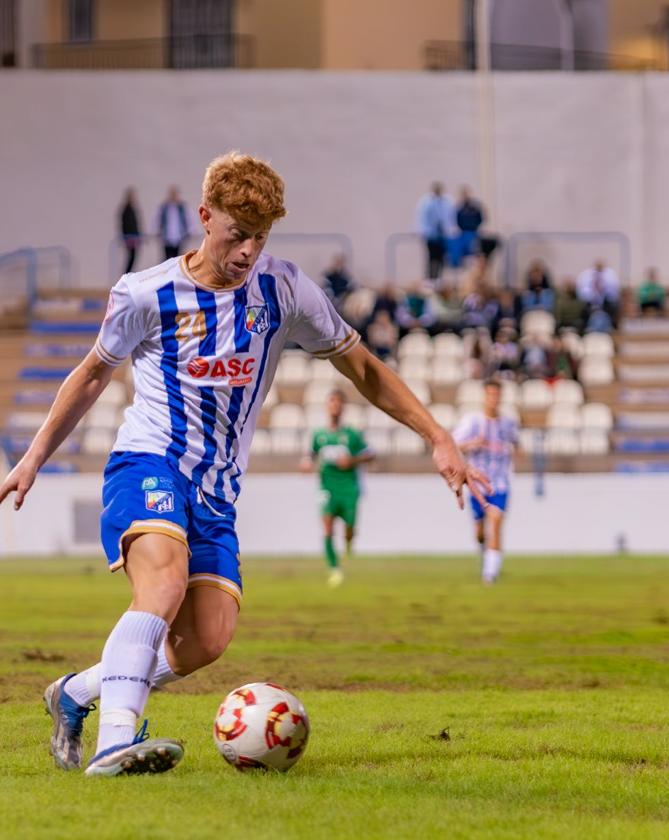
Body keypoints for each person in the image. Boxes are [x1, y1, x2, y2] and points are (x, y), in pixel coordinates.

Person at [16, 152, 487, 778]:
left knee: (206, 640)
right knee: (162, 584)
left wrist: (437, 435)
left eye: (260, 238)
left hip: (217, 490)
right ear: (205, 217)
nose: (247, 252)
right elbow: (92, 375)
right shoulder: (145, 293)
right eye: (237, 234)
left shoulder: (284, 288)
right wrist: (34, 457)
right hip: (148, 459)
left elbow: (364, 367)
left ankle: (75, 693)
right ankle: (115, 742)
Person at [300, 390, 374, 587]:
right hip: (327, 488)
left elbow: (370, 454)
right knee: (327, 528)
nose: (335, 406)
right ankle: (334, 569)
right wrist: (306, 463)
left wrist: (352, 460)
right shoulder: (319, 435)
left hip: (349, 488)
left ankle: (349, 540)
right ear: (327, 406)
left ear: (343, 407)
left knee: (349, 527)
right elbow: (310, 456)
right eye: (331, 402)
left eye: (338, 403)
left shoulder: (351, 434)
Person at [452, 380, 518, 584]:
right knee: (480, 531)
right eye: (490, 395)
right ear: (484, 396)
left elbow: (517, 444)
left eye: (497, 395)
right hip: (477, 485)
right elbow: (453, 446)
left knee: (496, 521)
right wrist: (473, 443)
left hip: (500, 483)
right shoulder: (473, 422)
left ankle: (490, 575)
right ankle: (484, 552)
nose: (493, 399)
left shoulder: (508, 424)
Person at [415, 181, 455, 281]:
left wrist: (450, 231)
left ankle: (439, 279)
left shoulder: (447, 201)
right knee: (431, 257)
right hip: (431, 235)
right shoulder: (426, 202)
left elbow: (450, 217)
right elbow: (422, 218)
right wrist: (423, 232)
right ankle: (430, 278)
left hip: (443, 235)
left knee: (441, 258)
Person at [451, 186, 485, 268]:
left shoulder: (475, 207)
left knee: (474, 252)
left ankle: (474, 270)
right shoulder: (459, 208)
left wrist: (474, 226)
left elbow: (480, 218)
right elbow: (457, 220)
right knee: (463, 254)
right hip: (463, 233)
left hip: (473, 232)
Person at [157, 186, 190, 261]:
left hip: (179, 237)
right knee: (166, 259)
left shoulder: (182, 207)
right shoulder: (164, 207)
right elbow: (157, 219)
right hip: (166, 237)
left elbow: (188, 219)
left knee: (177, 259)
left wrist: (190, 231)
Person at [118, 188, 141, 274]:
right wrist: (127, 237)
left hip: (133, 236)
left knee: (133, 257)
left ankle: (128, 274)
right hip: (130, 237)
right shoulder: (126, 209)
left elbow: (135, 224)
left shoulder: (132, 209)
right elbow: (125, 224)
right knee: (131, 257)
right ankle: (127, 274)